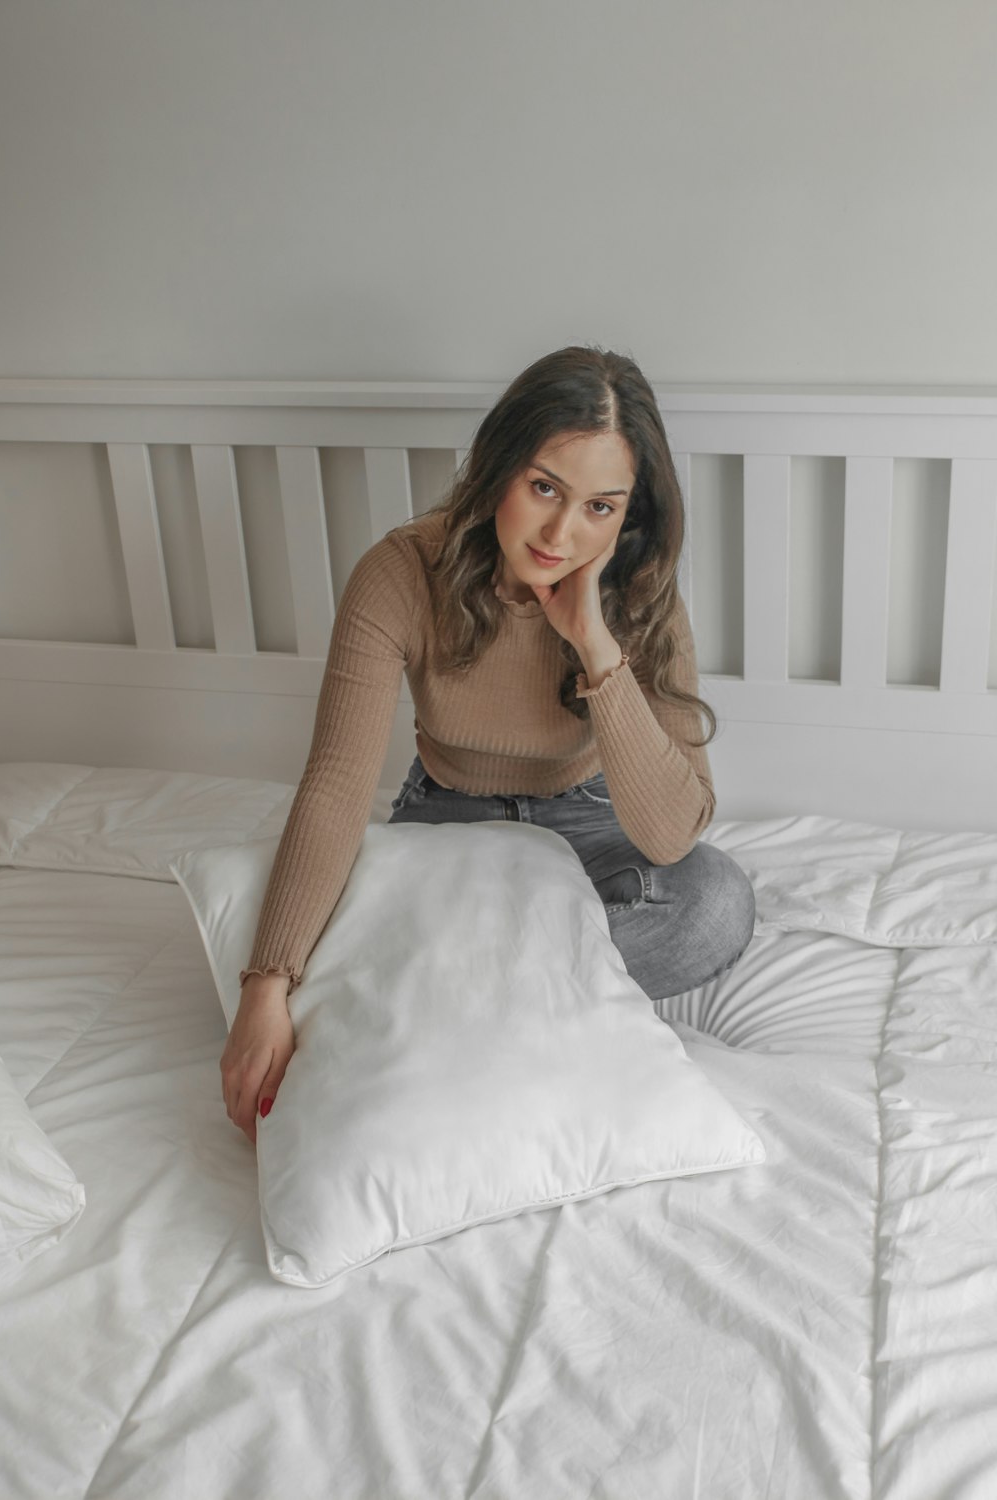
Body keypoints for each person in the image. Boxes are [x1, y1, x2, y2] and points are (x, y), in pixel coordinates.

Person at [221, 345, 755, 1143]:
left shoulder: (638, 592)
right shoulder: (400, 574)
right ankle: (540, 1014)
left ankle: (462, 1005)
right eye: (544, 488)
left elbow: (675, 832)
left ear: (629, 513)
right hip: (446, 819)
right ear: (499, 466)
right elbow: (336, 783)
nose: (562, 533)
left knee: (715, 903)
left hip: (590, 823)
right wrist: (267, 985)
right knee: (340, 929)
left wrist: (597, 649)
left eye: (600, 507)